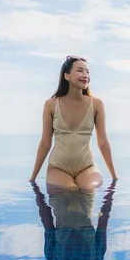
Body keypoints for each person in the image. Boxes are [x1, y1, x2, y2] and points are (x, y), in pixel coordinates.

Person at [29, 55, 117, 190]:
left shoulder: (97, 104)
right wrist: (33, 178)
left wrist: (114, 177)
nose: (85, 75)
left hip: (87, 167)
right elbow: (45, 143)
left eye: (87, 71)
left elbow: (103, 142)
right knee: (71, 189)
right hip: (58, 168)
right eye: (80, 70)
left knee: (89, 189)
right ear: (67, 76)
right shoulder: (51, 105)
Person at [31, 180, 116, 260]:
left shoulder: (98, 256)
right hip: (62, 202)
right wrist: (36, 191)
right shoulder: (52, 257)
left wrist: (111, 192)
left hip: (83, 201)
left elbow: (103, 218)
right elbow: (46, 219)